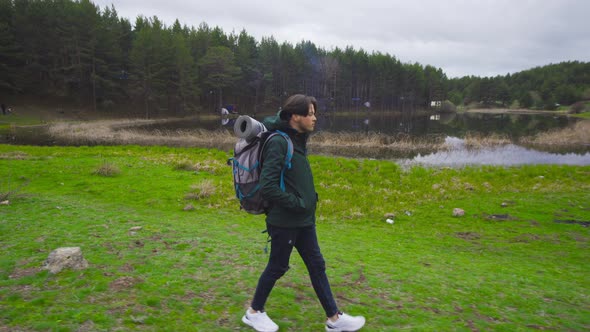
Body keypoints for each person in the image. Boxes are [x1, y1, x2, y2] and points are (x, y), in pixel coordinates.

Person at [242, 94, 366, 332]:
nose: (314, 118)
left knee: (317, 265)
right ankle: (254, 312)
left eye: (314, 113)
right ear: (295, 116)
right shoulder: (280, 142)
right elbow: (268, 186)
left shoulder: (297, 140)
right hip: (285, 221)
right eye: (310, 113)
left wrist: (305, 204)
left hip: (303, 221)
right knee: (277, 267)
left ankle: (334, 319)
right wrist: (298, 203)